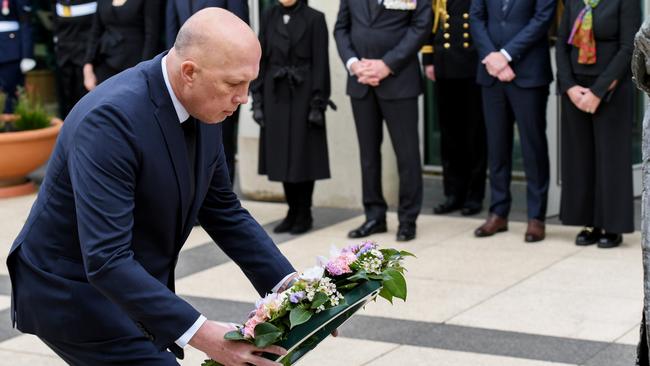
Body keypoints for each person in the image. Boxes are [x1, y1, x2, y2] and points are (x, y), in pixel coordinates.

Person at [7, 8, 297, 365]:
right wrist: (208, 337)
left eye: (250, 82)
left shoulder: (206, 102)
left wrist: (294, 290)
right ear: (189, 72)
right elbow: (106, 259)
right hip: (72, 292)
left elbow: (223, 209)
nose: (244, 97)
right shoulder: (110, 121)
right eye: (234, 84)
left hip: (127, 282)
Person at [334, 0, 432, 242]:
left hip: (399, 82)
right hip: (361, 82)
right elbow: (341, 28)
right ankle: (374, 216)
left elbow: (421, 26)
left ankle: (408, 219)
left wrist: (387, 64)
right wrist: (353, 64)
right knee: (368, 155)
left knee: (407, 155)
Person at [556, 0, 640, 248]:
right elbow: (561, 44)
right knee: (580, 159)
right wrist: (569, 87)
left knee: (611, 160)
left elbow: (628, 48)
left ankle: (612, 226)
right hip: (575, 88)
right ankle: (588, 222)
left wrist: (598, 91)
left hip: (611, 90)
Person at [470, 0, 556, 242]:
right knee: (497, 147)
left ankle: (536, 218)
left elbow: (542, 19)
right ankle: (498, 212)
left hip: (528, 74)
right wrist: (491, 57)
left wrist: (506, 56)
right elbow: (476, 17)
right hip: (491, 75)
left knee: (533, 148)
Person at [251, 0, 331, 235]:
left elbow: (320, 63)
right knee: (280, 156)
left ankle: (304, 211)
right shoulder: (269, 15)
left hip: (304, 93)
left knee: (302, 155)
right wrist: (257, 99)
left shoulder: (315, 18)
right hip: (275, 93)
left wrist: (318, 102)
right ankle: (292, 210)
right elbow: (261, 57)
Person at [166, 0, 249, 186]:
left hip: (220, 84)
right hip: (184, 83)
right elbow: (172, 38)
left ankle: (224, 193)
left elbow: (241, 37)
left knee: (220, 145)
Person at [421, 0, 486, 217]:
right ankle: (453, 193)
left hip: (474, 64)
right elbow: (430, 22)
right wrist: (428, 59)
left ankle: (474, 195)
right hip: (445, 64)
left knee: (475, 134)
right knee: (450, 135)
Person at [82, 0, 161, 91]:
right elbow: (95, 32)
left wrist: (143, 73)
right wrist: (88, 67)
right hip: (104, 63)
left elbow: (151, 37)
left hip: (134, 67)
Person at [51, 0, 96, 118]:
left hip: (87, 58)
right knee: (66, 104)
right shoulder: (58, 3)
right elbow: (57, 27)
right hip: (64, 57)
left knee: (86, 104)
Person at [0, 0, 35, 113]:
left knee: (10, 96)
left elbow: (26, 23)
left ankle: (9, 129)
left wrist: (27, 55)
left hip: (10, 51)